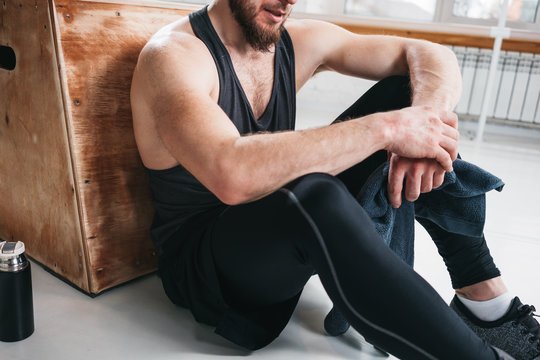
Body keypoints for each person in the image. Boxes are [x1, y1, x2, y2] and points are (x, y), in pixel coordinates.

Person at [130, 0, 539, 359]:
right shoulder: (174, 57)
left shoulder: (294, 40)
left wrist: (423, 122)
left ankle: (485, 304)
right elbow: (231, 174)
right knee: (313, 196)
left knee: (406, 92)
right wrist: (387, 130)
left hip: (277, 228)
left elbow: (428, 53)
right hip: (208, 267)